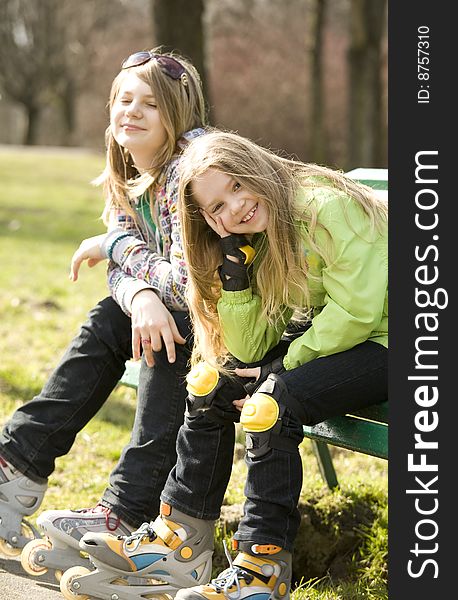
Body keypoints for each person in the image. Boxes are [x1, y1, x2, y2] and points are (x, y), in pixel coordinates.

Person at [63, 130, 388, 600]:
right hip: (354, 337)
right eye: (216, 208)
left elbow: (357, 310)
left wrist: (284, 366)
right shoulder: (260, 234)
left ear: (255, 167)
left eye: (236, 186)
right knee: (211, 383)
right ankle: (181, 546)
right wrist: (235, 279)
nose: (232, 208)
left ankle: (262, 569)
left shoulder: (320, 206)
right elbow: (250, 347)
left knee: (272, 404)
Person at [0, 48, 208, 578]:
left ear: (179, 115)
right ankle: (15, 467)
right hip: (188, 315)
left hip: (251, 327)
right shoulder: (127, 172)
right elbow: (122, 272)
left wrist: (117, 249)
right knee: (117, 317)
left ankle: (128, 510)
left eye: (150, 104)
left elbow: (191, 284)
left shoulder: (197, 170)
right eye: (123, 99)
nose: (131, 111)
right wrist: (138, 292)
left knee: (172, 327)